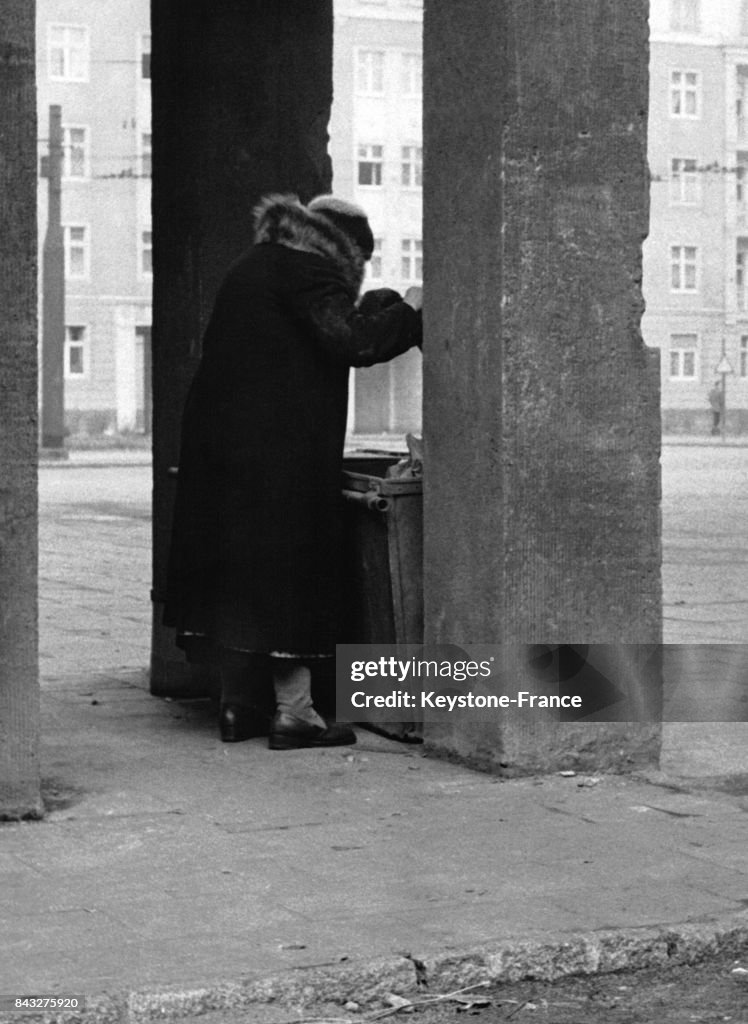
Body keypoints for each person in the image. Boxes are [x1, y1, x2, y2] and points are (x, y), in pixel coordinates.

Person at [163, 193, 423, 749]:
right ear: (346, 246)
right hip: (278, 456)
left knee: (241, 573)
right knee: (293, 569)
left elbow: (321, 325)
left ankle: (239, 707)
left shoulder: (256, 266)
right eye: (363, 262)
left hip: (223, 451)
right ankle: (295, 712)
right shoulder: (312, 269)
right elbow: (353, 339)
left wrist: (379, 303)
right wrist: (413, 313)